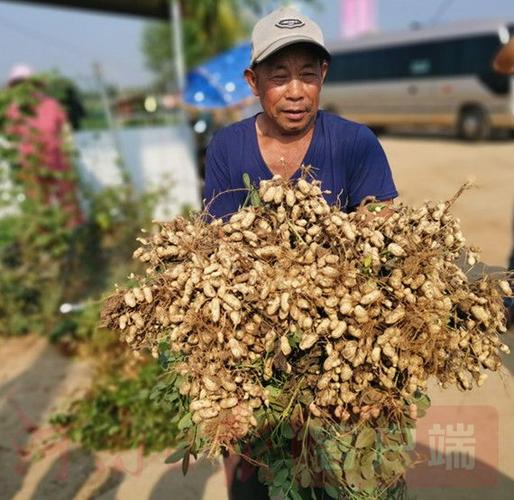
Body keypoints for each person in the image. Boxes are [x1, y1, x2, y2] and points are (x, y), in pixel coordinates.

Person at [203, 7, 398, 499]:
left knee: (348, 481)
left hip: (341, 359)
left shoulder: (356, 143)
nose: (296, 91)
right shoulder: (227, 149)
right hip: (256, 361)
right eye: (279, 76)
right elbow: (220, 257)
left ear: (323, 76)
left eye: (308, 75)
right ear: (253, 81)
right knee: (254, 484)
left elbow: (384, 240)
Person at [5, 64, 83, 227]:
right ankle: (46, 246)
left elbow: (65, 130)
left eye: (26, 83)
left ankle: (76, 236)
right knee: (38, 207)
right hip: (31, 165)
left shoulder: (50, 104)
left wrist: (68, 151)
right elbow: (11, 139)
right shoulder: (13, 110)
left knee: (68, 201)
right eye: (19, 84)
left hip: (57, 160)